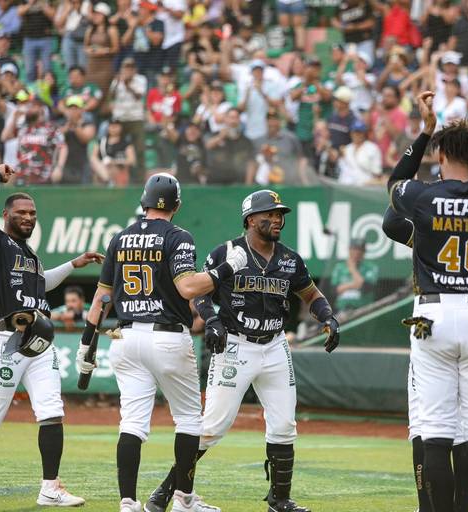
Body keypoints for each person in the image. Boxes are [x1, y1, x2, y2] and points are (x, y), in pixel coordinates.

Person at [144, 189, 340, 512]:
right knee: (211, 428)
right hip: (235, 344)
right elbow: (201, 293)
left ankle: (279, 500)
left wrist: (328, 316)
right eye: (270, 214)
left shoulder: (289, 259)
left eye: (279, 215)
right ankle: (166, 492)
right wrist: (211, 320)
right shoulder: (227, 253)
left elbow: (311, 293)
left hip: (275, 345)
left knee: (284, 425)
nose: (277, 219)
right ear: (250, 219)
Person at [78, 172, 249, 512]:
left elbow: (101, 298)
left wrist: (87, 344)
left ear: (143, 202)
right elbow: (188, 288)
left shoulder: (119, 237)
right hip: (167, 336)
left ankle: (128, 503)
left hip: (124, 336)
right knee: (188, 420)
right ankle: (184, 500)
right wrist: (228, 268)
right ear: (177, 205)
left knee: (132, 423)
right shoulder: (178, 236)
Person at [0, 164, 103, 505]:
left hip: (39, 342)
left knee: (52, 410)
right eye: (22, 212)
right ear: (6, 215)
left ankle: (50, 487)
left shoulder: (29, 254)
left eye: (33, 213)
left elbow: (42, 283)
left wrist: (74, 264)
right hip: (4, 339)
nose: (29, 217)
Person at [387, 90, 468, 512]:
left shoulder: (423, 196)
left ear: (440, 158)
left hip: (434, 314)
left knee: (436, 432)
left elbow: (394, 186)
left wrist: (425, 134)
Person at [1, 91, 67, 185]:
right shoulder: (23, 128)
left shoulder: (51, 128)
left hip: (43, 180)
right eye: (30, 105)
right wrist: (15, 116)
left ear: (41, 109)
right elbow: (4, 137)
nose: (29, 108)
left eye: (33, 105)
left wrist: (59, 168)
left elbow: (63, 147)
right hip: (22, 179)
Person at [330, 238, 379, 312]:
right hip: (342, 309)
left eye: (360, 250)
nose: (357, 252)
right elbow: (334, 290)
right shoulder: (339, 267)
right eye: (354, 249)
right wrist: (354, 284)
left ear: (364, 252)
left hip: (363, 309)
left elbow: (365, 287)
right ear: (349, 250)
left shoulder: (371, 267)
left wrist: (352, 269)